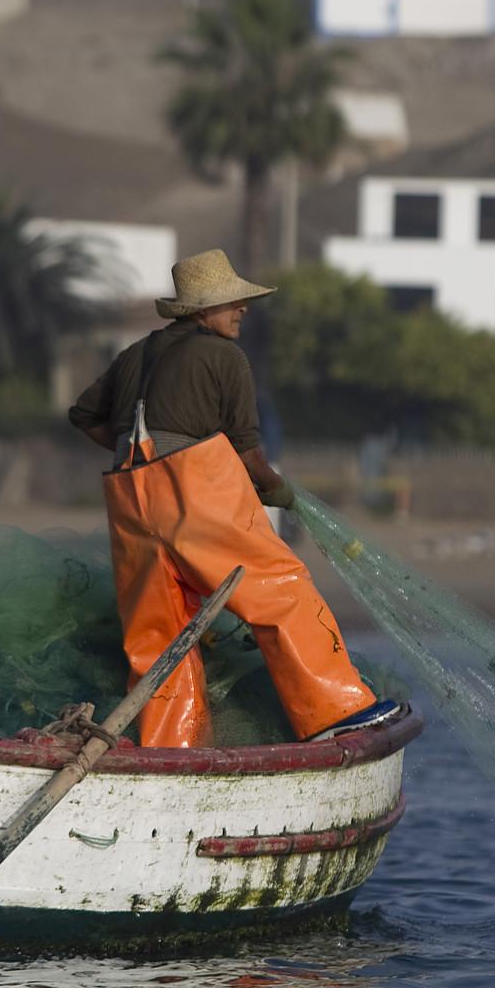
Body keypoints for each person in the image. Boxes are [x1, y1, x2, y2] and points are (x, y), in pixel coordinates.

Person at [69, 249, 403, 749]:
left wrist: (135, 453)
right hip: (190, 493)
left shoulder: (134, 354)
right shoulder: (224, 357)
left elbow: (83, 415)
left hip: (129, 499)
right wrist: (277, 490)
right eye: (232, 304)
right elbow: (247, 454)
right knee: (278, 589)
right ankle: (336, 711)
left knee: (158, 632)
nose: (242, 310)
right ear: (201, 311)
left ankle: (169, 744)